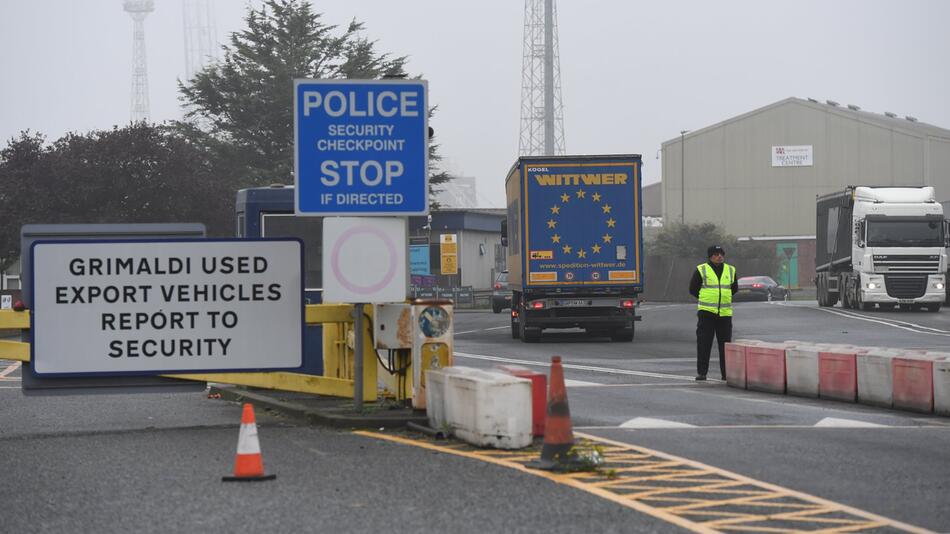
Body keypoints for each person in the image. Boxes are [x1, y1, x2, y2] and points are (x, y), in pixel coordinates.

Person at [688, 245, 738, 381]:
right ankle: (702, 373)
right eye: (716, 254)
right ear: (710, 256)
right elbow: (693, 289)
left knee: (725, 345)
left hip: (725, 314)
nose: (719, 256)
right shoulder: (701, 269)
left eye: (721, 254)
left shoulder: (730, 269)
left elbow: (734, 288)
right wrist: (707, 298)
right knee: (704, 343)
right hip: (707, 313)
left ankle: (725, 374)